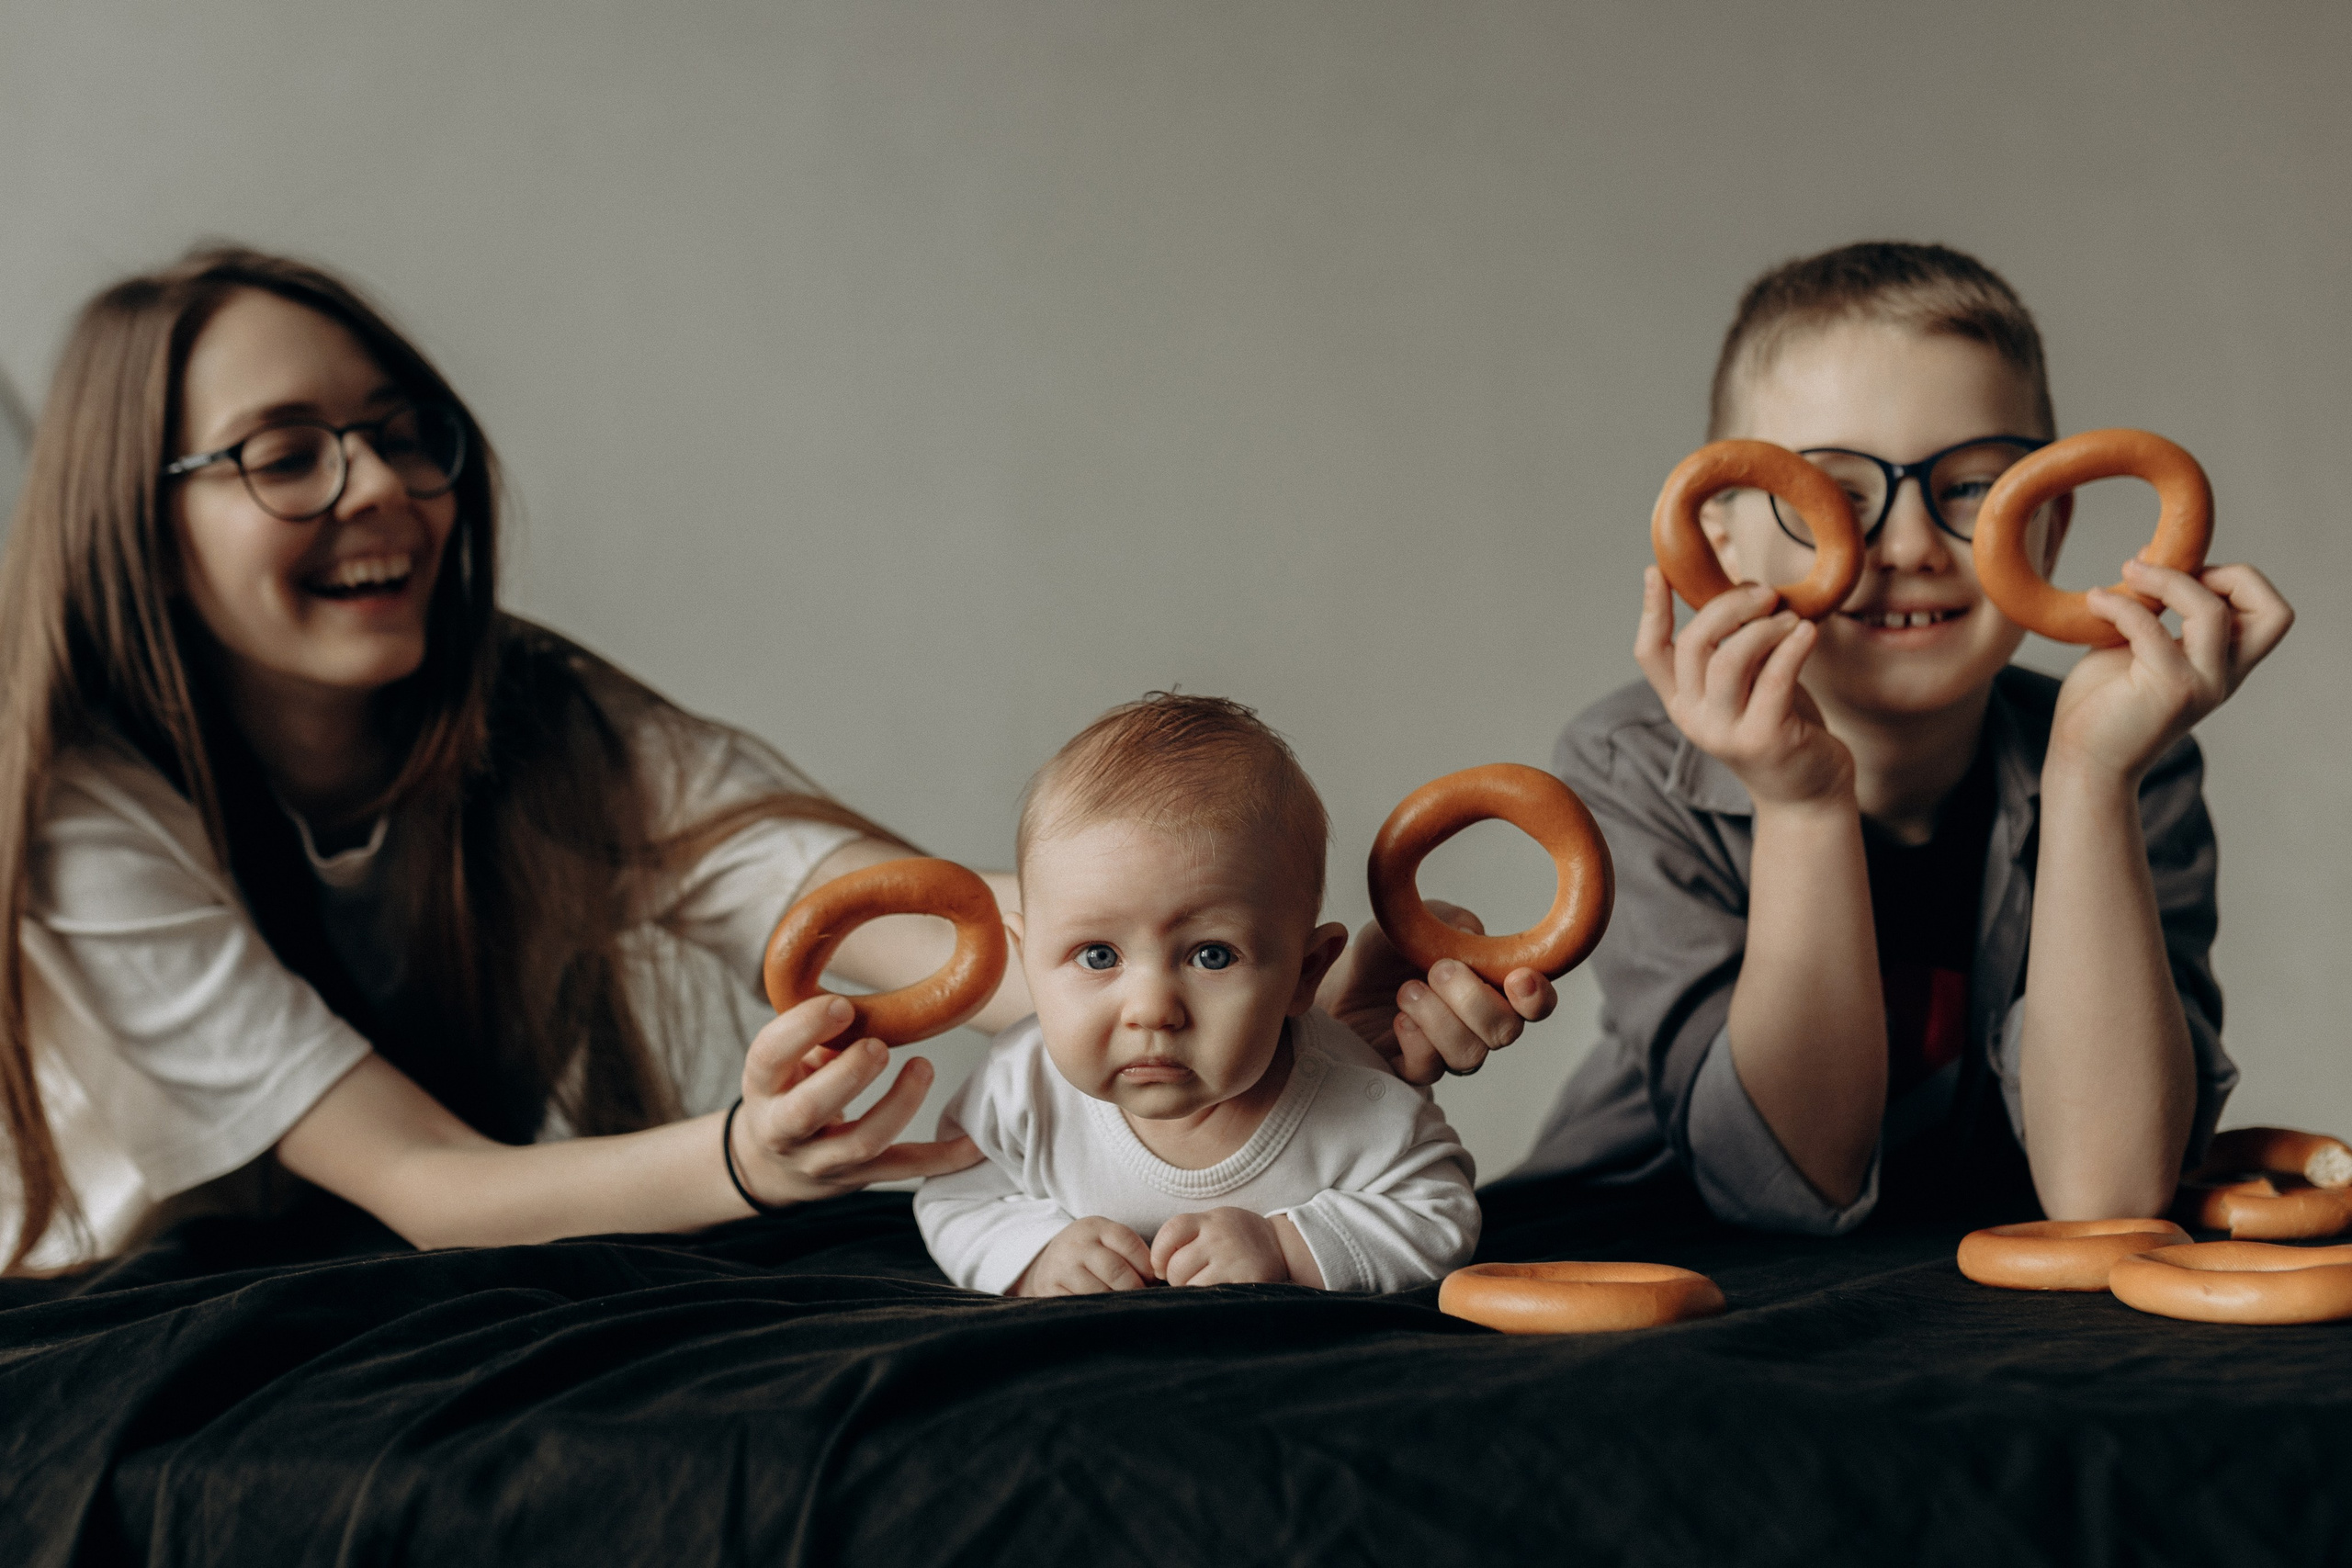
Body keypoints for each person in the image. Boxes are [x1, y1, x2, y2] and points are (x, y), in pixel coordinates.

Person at [0, 246, 1525, 1276]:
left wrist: (1236, 977)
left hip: (373, 1299)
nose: (385, 487)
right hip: (118, 1305)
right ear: (135, 516)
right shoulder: (79, 812)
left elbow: (942, 935)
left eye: (406, 435)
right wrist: (745, 1158)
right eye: (285, 453)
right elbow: (428, 1184)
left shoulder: (544, 718)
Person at [1504, 242, 2294, 1233]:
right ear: (1722, 540)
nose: (1911, 545)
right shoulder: (1631, 762)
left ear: (2047, 529)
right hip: (1652, 1250)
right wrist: (1799, 804)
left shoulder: (2139, 756)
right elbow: (1787, 1193)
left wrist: (2093, 776)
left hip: (1968, 1300)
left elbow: (2110, 1194)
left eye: (1971, 488)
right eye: (1830, 492)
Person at [915, 694, 1479, 1295]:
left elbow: (1439, 1213)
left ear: (1305, 973)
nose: (1153, 1009)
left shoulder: (1355, 1096)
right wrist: (1036, 1254)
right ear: (1027, 960)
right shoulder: (1020, 1087)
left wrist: (1285, 1245)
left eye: (1212, 954)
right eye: (1099, 955)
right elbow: (955, 1197)